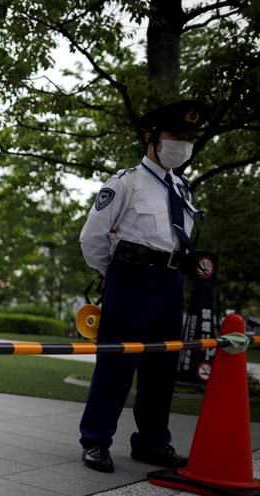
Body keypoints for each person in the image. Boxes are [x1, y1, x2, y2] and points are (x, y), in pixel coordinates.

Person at [78, 99, 209, 472]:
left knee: (162, 367)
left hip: (171, 280)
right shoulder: (126, 182)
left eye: (188, 138)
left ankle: (152, 443)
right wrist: (116, 274)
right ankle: (96, 441)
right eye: (175, 136)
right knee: (116, 364)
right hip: (131, 278)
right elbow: (92, 238)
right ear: (151, 138)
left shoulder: (183, 189)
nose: (183, 145)